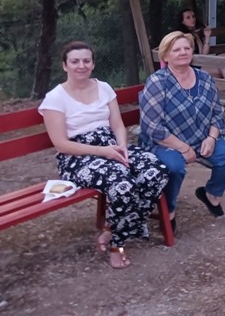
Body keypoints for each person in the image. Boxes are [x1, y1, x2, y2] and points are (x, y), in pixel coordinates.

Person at [39, 41, 168, 269]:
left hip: (111, 147)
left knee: (155, 170)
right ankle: (117, 246)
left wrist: (122, 146)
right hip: (78, 158)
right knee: (123, 183)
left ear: (93, 64)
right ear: (65, 65)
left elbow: (117, 125)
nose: (81, 65)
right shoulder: (55, 98)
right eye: (75, 61)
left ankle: (111, 229)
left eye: (86, 60)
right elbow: (61, 144)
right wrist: (103, 151)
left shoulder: (104, 88)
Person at [139, 31, 225, 232]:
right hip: (164, 142)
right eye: (176, 50)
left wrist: (212, 138)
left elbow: (217, 113)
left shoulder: (205, 78)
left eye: (187, 48)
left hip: (200, 137)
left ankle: (211, 194)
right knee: (174, 167)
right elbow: (152, 126)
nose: (183, 52)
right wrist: (183, 148)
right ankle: (169, 210)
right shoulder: (158, 82)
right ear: (166, 56)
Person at [176, 8, 225, 80]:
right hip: (191, 69)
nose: (192, 19)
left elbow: (203, 55)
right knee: (221, 70)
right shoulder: (182, 37)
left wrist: (207, 37)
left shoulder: (195, 35)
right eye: (188, 18)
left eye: (193, 16)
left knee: (224, 56)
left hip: (200, 64)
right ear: (182, 21)